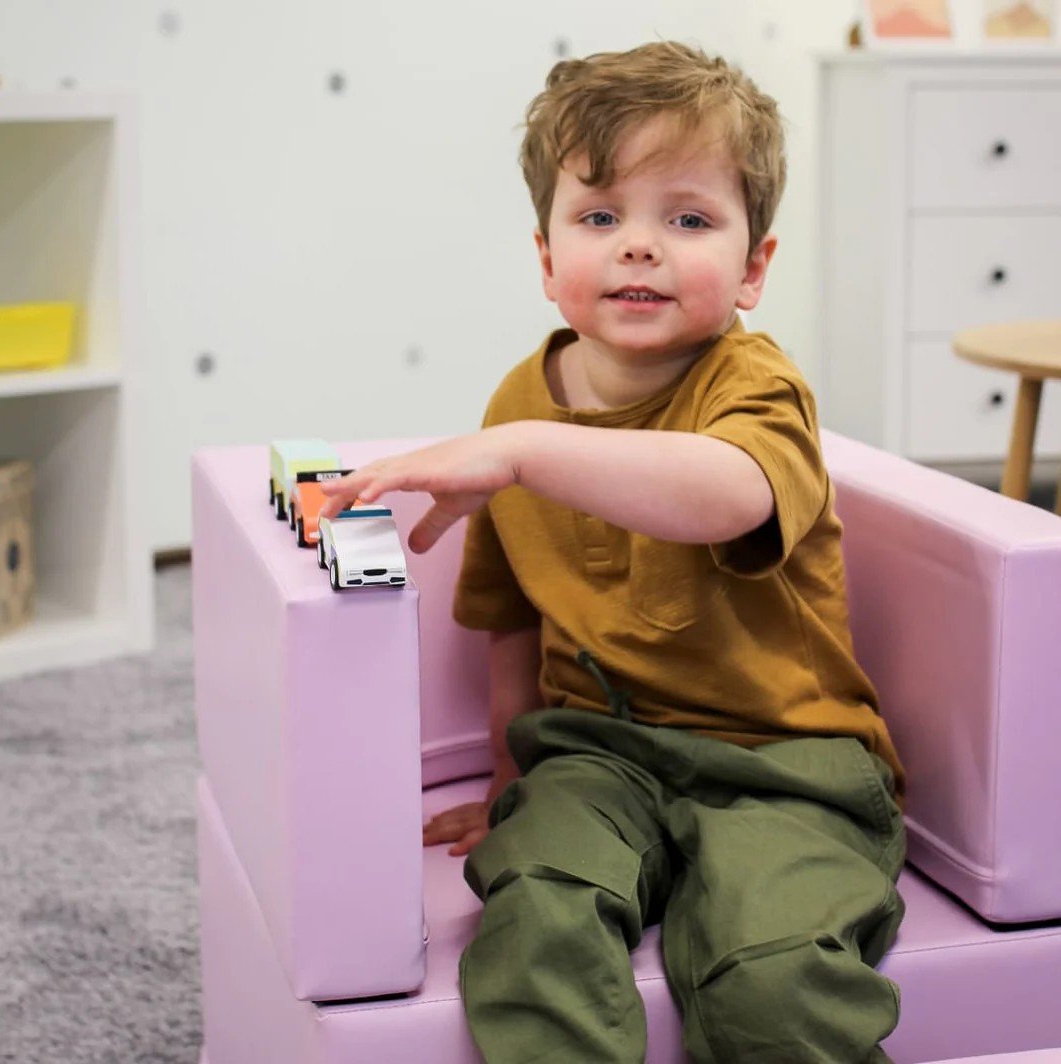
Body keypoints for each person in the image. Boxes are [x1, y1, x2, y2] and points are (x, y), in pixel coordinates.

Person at [320, 39, 906, 1064]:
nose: (640, 246)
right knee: (533, 913)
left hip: (781, 764)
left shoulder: (752, 383)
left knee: (767, 971)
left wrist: (516, 453)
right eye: (599, 216)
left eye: (686, 218)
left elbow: (731, 493)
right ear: (547, 260)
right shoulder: (518, 400)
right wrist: (510, 775)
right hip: (596, 755)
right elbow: (510, 617)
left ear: (753, 266)